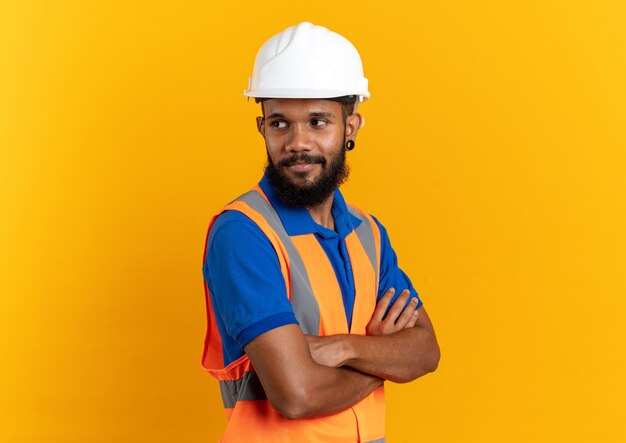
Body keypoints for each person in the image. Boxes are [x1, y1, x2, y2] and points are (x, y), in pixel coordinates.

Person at [201, 22, 440, 442]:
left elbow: (425, 352)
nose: (297, 142)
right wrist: (381, 359)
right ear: (262, 129)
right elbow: (298, 394)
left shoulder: (368, 233)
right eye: (280, 124)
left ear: (350, 127)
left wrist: (343, 347)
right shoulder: (243, 233)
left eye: (317, 121)